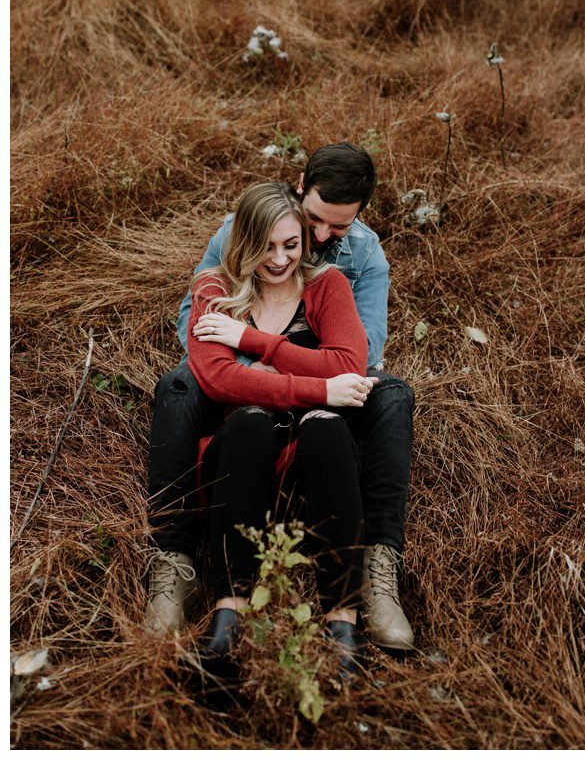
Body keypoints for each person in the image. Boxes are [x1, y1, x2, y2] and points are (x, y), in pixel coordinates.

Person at [143, 142, 417, 652]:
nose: (316, 239)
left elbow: (362, 354)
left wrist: (267, 352)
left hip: (328, 388)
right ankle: (173, 559)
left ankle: (379, 565)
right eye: (313, 220)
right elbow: (198, 332)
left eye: (334, 228)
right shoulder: (235, 242)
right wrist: (250, 372)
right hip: (249, 382)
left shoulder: (357, 260)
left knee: (394, 394)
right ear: (299, 187)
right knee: (179, 385)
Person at [183, 183, 378, 680]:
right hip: (240, 468)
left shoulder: (327, 285)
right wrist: (322, 388)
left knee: (327, 429)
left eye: (291, 245)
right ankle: (227, 620)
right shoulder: (214, 289)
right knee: (249, 422)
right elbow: (219, 378)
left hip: (312, 471)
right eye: (266, 246)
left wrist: (257, 345)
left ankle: (343, 627)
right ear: (244, 239)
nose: (278, 259)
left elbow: (349, 363)